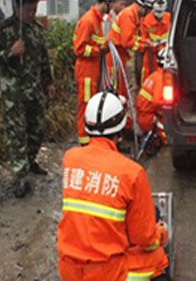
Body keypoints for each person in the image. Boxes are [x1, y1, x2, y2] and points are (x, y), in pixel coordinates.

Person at [57, 91, 169, 281]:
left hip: (69, 270)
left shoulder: (70, 159)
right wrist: (160, 234)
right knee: (158, 258)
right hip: (105, 273)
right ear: (120, 129)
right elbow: (144, 239)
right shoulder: (131, 173)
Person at [0, 0, 55, 198]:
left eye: (34, 9)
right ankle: (20, 175)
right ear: (17, 8)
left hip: (34, 89)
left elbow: (44, 58)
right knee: (17, 135)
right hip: (14, 93)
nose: (31, 13)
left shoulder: (36, 29)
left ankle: (31, 160)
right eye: (27, 10)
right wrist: (10, 52)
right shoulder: (4, 30)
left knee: (37, 129)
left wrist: (49, 82)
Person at [73, 0, 120, 145]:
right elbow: (79, 49)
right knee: (85, 106)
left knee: (92, 105)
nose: (113, 7)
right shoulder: (89, 20)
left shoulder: (98, 20)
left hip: (93, 71)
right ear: (106, 1)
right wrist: (98, 51)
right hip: (86, 72)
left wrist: (103, 48)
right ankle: (84, 143)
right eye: (112, 3)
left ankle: (91, 141)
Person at [108, 0, 157, 97]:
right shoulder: (129, 15)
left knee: (123, 89)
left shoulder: (134, 15)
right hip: (114, 56)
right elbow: (127, 42)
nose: (148, 14)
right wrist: (144, 46)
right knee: (117, 89)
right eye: (148, 11)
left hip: (119, 55)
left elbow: (133, 37)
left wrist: (145, 41)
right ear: (144, 7)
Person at [136, 48, 167, 145]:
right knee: (169, 138)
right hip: (148, 118)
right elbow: (158, 102)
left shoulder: (155, 75)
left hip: (143, 115)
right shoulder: (161, 79)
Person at [140, 0, 170, 86]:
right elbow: (142, 41)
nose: (159, 15)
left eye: (161, 12)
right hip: (149, 59)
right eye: (157, 12)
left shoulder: (169, 19)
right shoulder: (146, 21)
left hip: (165, 59)